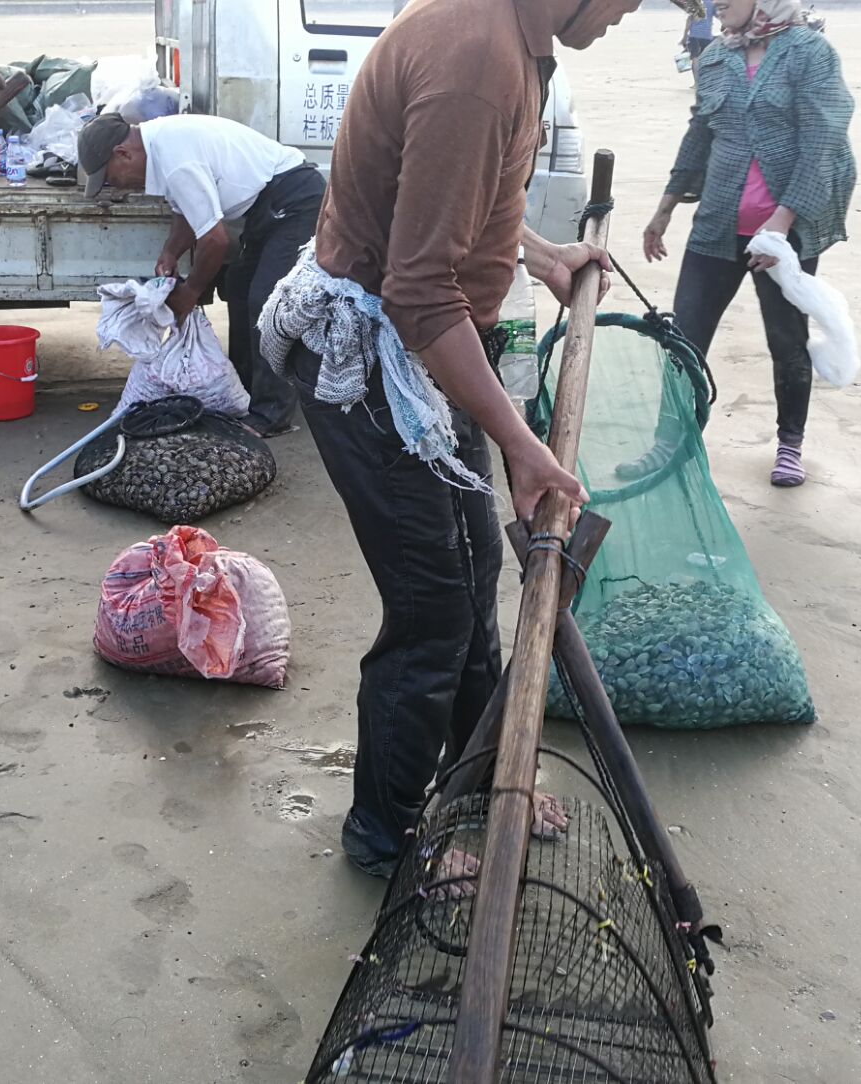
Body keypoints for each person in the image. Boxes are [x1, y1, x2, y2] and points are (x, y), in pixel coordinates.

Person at [256, 0, 638, 879]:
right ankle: (386, 839)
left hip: (426, 351)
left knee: (475, 578)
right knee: (432, 612)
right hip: (372, 357)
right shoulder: (476, 60)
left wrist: (540, 256)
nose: (627, 10)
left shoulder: (515, 38)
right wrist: (519, 441)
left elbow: (457, 201)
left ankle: (477, 783)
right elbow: (421, 292)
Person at [639, 0, 855, 487]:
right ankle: (669, 442)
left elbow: (822, 141)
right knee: (684, 339)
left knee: (786, 340)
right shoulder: (715, 57)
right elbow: (699, 132)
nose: (716, 7)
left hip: (787, 235)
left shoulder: (811, 53)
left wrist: (779, 227)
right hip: (717, 223)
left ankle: (789, 447)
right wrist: (667, 204)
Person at [77, 112, 324, 436]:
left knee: (267, 301)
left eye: (109, 177)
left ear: (123, 154)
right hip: (269, 203)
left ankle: (272, 414)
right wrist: (170, 252)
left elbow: (215, 240)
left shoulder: (174, 158)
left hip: (295, 198)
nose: (114, 186)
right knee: (238, 287)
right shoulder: (160, 146)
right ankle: (246, 391)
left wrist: (190, 292)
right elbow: (187, 211)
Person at [681, 4, 717, 73]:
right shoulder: (711, 3)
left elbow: (689, 22)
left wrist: (684, 37)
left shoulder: (694, 3)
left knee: (695, 59)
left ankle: (697, 82)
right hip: (707, 36)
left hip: (694, 36)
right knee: (705, 59)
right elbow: (719, 15)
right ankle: (704, 80)